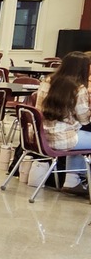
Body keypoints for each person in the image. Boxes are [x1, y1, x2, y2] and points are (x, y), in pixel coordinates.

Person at [35, 51, 91, 194]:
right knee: (80, 135)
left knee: (79, 136)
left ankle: (72, 180)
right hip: (61, 139)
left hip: (39, 136)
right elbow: (85, 119)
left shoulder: (47, 81)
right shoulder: (79, 89)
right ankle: (74, 179)